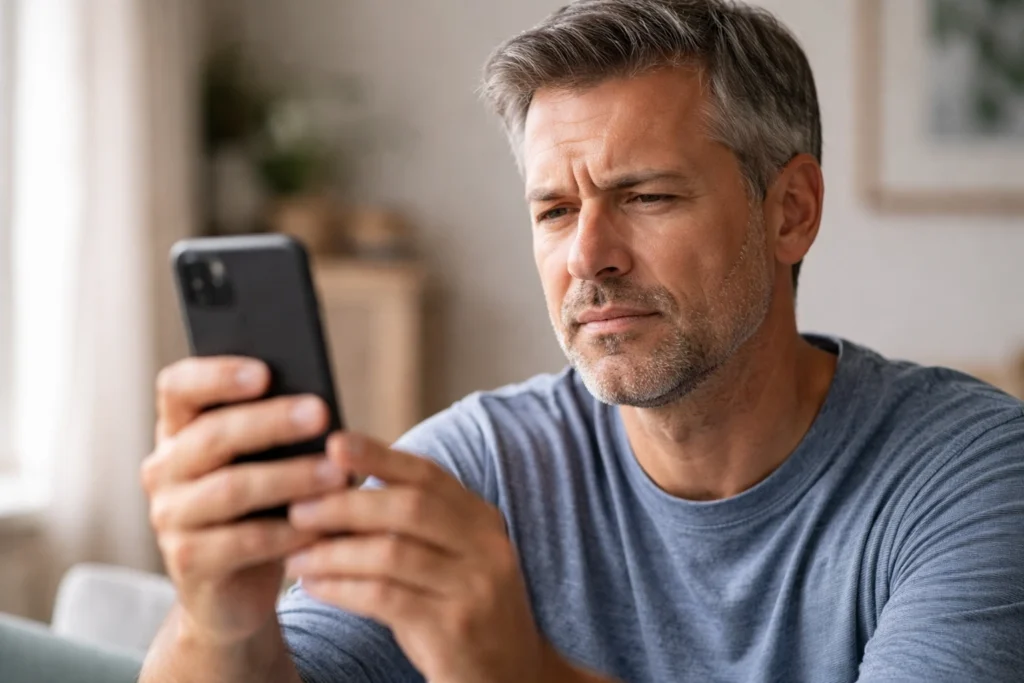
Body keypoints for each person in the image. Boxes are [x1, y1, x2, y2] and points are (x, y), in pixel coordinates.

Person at [138, 1, 1024, 681]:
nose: (588, 257)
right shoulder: (479, 467)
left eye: (646, 196)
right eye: (555, 211)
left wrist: (520, 670)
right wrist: (222, 620)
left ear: (791, 211)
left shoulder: (972, 475)